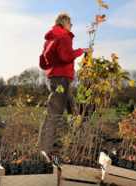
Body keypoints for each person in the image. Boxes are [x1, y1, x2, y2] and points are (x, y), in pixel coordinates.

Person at [37, 12, 94, 160]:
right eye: (71, 24)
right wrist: (83, 51)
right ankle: (42, 155)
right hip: (62, 80)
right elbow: (65, 56)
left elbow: (43, 64)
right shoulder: (64, 37)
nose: (71, 27)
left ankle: (82, 147)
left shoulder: (49, 40)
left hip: (53, 80)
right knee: (52, 117)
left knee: (77, 113)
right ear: (65, 23)